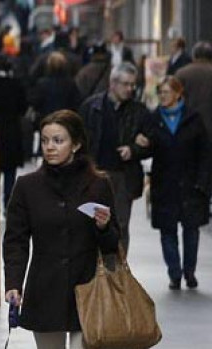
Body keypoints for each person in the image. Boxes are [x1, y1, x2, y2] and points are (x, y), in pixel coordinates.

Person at [3, 110, 119, 349]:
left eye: (58, 140)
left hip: (87, 289)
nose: (50, 147)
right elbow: (16, 240)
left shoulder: (98, 185)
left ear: (76, 144)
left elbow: (112, 245)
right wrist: (14, 283)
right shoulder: (27, 187)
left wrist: (104, 227)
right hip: (45, 290)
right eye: (45, 140)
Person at [138, 76, 211, 290]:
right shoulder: (153, 119)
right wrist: (143, 142)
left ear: (178, 94)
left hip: (190, 184)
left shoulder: (193, 118)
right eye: (160, 92)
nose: (162, 96)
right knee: (167, 231)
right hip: (164, 182)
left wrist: (203, 182)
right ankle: (175, 273)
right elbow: (148, 147)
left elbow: (205, 154)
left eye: (167, 92)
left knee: (191, 230)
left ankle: (190, 272)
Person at [78, 63, 149, 252]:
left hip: (123, 176)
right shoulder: (91, 107)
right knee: (92, 222)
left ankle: (117, 272)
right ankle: (94, 272)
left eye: (133, 85)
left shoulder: (138, 111)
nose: (130, 89)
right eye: (125, 84)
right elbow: (79, 140)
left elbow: (152, 143)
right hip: (95, 173)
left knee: (120, 224)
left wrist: (134, 150)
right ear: (112, 83)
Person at [175, 42, 212, 208]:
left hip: (187, 128)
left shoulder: (182, 73)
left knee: (188, 163)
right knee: (209, 166)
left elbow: (174, 100)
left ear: (194, 56)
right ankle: (205, 198)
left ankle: (188, 196)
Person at [0, 55, 28, 207]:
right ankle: (7, 203)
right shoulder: (16, 84)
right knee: (10, 171)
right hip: (11, 132)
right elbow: (23, 107)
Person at [30, 52, 82, 124]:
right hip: (65, 119)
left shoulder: (42, 83)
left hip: (46, 118)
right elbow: (76, 102)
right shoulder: (70, 83)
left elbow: (35, 102)